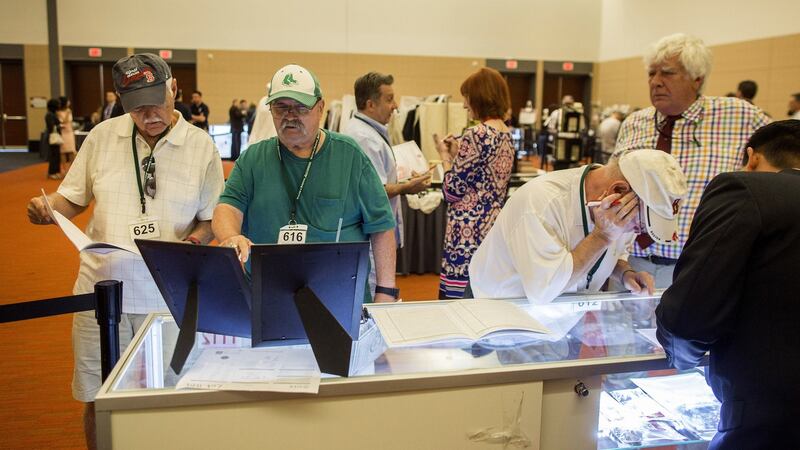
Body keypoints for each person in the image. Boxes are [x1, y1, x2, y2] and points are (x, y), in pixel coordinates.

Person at [25, 53, 224, 449]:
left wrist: (196, 242)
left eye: (156, 101)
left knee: (168, 397)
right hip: (99, 292)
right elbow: (73, 199)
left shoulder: (201, 146)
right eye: (136, 107)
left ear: (173, 88)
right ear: (121, 102)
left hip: (166, 297)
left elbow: (209, 219)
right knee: (101, 400)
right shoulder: (102, 136)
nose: (149, 114)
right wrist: (48, 209)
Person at [656, 120, 800, 449]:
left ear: (751, 157)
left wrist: (680, 358)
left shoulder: (747, 190)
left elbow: (688, 317)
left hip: (766, 419)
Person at [212, 63, 400, 303]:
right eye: (281, 107)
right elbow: (227, 207)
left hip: (339, 299)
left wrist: (386, 291)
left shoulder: (349, 155)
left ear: (320, 107)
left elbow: (382, 226)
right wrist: (230, 236)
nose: (290, 116)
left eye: (300, 107)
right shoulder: (253, 159)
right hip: (266, 297)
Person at [614, 33, 770, 287]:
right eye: (651, 74)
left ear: (697, 78)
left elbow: (780, 172)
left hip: (700, 269)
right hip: (631, 265)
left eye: (667, 73)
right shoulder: (634, 122)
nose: (656, 82)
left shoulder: (741, 117)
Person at [470, 149, 686, 304]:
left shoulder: (619, 209)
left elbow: (616, 252)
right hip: (502, 318)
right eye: (641, 224)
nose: (640, 232)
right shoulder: (540, 203)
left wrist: (624, 273)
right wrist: (602, 236)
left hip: (561, 318)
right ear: (618, 191)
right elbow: (544, 291)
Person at [343, 72, 431, 296]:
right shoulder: (365, 138)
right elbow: (376, 192)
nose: (395, 106)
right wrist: (408, 187)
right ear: (370, 104)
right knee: (375, 300)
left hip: (372, 235)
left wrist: (403, 181)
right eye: (389, 99)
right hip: (370, 238)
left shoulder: (368, 132)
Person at [434, 67, 514, 299]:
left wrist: (446, 157)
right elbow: (486, 177)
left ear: (479, 96)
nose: (464, 105)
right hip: (492, 225)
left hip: (467, 230)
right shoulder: (506, 134)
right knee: (483, 292)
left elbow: (451, 190)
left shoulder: (476, 134)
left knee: (459, 300)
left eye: (467, 98)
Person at [56, 96, 77, 175]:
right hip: (63, 133)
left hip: (70, 132)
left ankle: (72, 170)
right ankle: (64, 170)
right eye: (68, 101)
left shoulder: (69, 111)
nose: (69, 103)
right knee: (63, 152)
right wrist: (67, 113)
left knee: (72, 151)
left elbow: (70, 122)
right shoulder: (58, 112)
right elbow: (63, 121)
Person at [44, 98, 62, 179]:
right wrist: (59, 126)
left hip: (55, 136)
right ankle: (52, 172)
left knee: (57, 155)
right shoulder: (49, 115)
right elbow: (51, 126)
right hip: (52, 136)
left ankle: (56, 171)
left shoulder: (53, 114)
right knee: (54, 155)